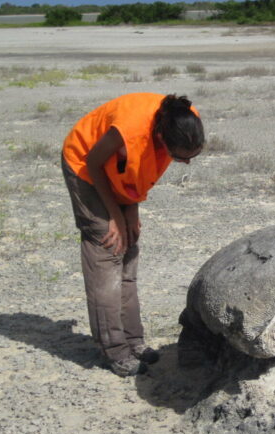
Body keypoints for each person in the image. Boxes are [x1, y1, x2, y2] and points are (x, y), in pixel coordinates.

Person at [62, 93, 204, 376]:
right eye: (179, 158)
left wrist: (131, 212)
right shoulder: (128, 130)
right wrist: (114, 216)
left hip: (114, 173)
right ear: (162, 137)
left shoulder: (184, 120)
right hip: (86, 168)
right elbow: (94, 163)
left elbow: (135, 170)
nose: (185, 164)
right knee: (108, 247)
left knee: (129, 247)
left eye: (192, 157)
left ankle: (133, 339)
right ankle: (114, 349)